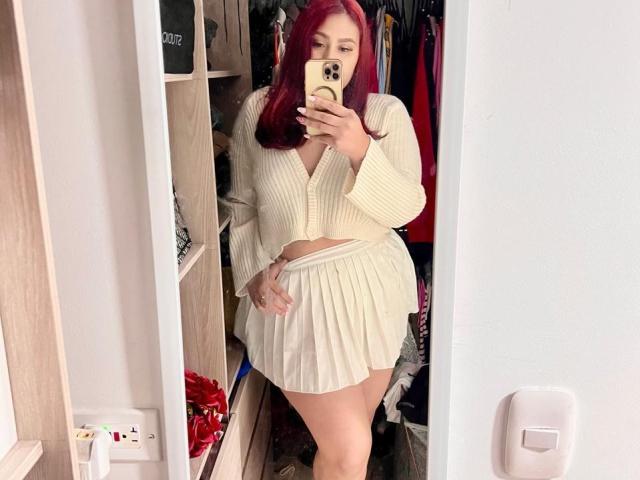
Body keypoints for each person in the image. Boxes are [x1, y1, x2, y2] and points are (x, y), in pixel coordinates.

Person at [226, 1, 426, 478]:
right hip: (300, 298)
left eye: (345, 47)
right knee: (350, 446)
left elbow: (407, 207)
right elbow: (241, 205)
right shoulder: (260, 111)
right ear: (299, 47)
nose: (331, 57)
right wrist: (253, 273)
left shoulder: (385, 114)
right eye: (318, 44)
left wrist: (360, 150)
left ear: (361, 54)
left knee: (346, 448)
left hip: (371, 291)